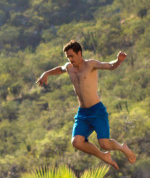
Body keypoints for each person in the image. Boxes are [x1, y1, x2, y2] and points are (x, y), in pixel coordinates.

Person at [37, 40, 137, 170]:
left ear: (79, 53)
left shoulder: (90, 65)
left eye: (72, 56)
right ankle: (104, 156)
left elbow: (109, 66)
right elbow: (60, 69)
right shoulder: (69, 67)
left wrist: (119, 61)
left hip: (97, 111)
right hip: (83, 113)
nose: (70, 59)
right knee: (76, 142)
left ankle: (122, 147)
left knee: (105, 144)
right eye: (68, 57)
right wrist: (46, 73)